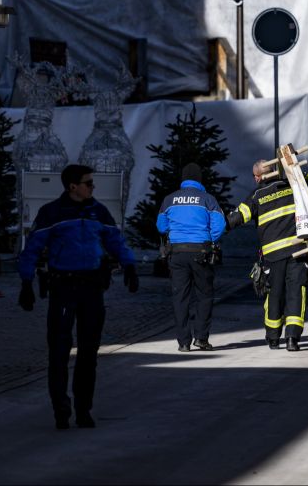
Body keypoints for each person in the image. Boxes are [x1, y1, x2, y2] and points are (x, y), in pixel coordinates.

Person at [18, 164, 139, 430]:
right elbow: (32, 249)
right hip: (63, 289)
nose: (92, 187)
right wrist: (26, 281)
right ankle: (61, 409)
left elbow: (115, 240)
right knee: (59, 352)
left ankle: (84, 409)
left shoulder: (98, 211)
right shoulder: (51, 213)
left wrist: (129, 264)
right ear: (72, 186)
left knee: (88, 352)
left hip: (92, 289)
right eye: (88, 183)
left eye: (92, 183)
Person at [227, 158, 308, 352]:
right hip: (298, 251)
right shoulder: (294, 185)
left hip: (273, 256)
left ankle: (273, 338)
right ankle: (292, 339)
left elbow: (236, 218)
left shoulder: (256, 195)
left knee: (274, 295)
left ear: (257, 178)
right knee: (296, 293)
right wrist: (298, 171)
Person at [156, 163, 226, 352]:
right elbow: (220, 225)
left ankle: (183, 342)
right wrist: (209, 240)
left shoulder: (169, 200)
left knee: (181, 298)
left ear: (183, 179)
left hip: (177, 254)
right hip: (201, 253)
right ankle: (201, 339)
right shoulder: (208, 199)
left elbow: (161, 227)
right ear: (199, 179)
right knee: (204, 296)